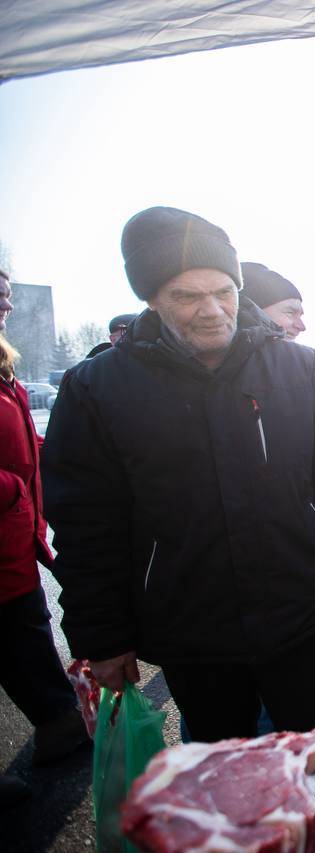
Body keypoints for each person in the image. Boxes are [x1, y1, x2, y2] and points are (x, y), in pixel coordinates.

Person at [42, 207, 315, 743]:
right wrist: (101, 634)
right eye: (186, 296)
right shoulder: (98, 388)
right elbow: (86, 521)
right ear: (151, 298)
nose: (211, 310)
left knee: (314, 753)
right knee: (220, 767)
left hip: (298, 609)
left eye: (223, 291)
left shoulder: (304, 370)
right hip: (189, 621)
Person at [0, 268, 88, 808]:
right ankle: (62, 724)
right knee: (22, 638)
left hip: (15, 541)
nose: (4, 305)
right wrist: (13, 489)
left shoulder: (5, 370)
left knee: (25, 635)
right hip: (9, 531)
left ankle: (62, 725)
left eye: (6, 296)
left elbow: (20, 439)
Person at [241, 262, 306, 341]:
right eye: (290, 312)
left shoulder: (299, 353)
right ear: (250, 310)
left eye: (300, 316)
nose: (301, 326)